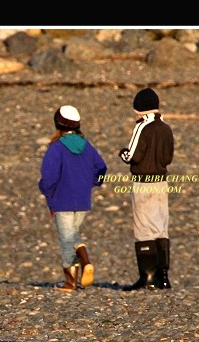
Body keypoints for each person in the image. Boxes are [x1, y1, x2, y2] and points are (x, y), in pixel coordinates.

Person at [39, 105, 107, 292]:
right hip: (82, 200)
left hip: (62, 200)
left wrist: (47, 191)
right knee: (73, 233)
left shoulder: (57, 148)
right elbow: (101, 168)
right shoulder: (87, 146)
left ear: (58, 124)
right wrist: (91, 183)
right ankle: (82, 268)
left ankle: (72, 279)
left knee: (67, 240)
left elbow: (49, 176)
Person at [119, 87, 175, 291]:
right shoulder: (166, 128)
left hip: (144, 181)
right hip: (161, 181)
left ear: (140, 109)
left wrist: (122, 154)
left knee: (144, 227)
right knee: (160, 227)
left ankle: (147, 277)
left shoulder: (142, 127)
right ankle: (164, 276)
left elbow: (132, 155)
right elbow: (168, 157)